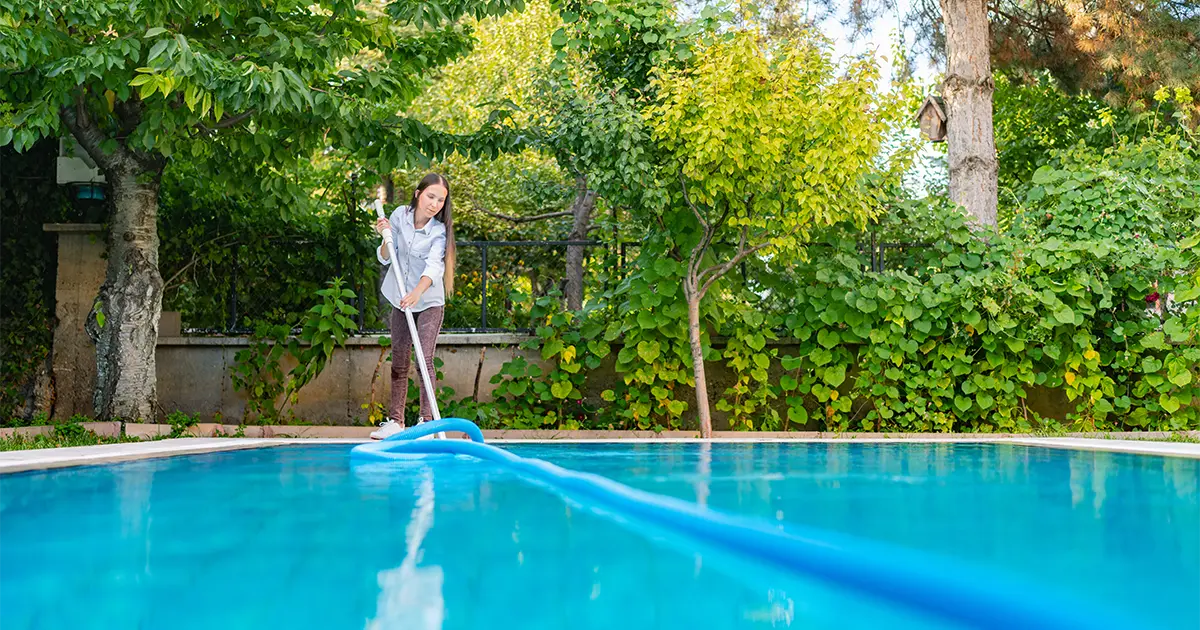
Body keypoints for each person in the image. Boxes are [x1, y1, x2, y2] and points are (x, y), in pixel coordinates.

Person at [370, 173, 457, 440]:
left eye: (440, 200)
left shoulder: (439, 232)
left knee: (424, 358)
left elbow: (434, 267)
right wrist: (384, 235)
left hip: (428, 301)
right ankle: (396, 422)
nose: (434, 204)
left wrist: (417, 293)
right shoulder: (398, 216)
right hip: (401, 299)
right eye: (431, 196)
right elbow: (386, 258)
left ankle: (425, 423)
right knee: (399, 359)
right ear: (418, 193)